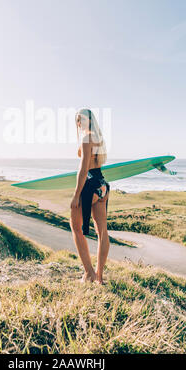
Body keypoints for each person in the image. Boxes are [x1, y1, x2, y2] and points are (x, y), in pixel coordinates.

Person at [70, 108, 110, 284]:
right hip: (102, 186)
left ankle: (89, 273)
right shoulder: (98, 137)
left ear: (89, 120)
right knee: (102, 231)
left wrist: (76, 194)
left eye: (82, 119)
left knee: (76, 228)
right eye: (77, 120)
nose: (79, 123)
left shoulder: (87, 138)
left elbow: (84, 169)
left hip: (89, 185)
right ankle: (100, 277)